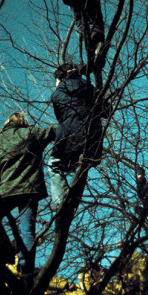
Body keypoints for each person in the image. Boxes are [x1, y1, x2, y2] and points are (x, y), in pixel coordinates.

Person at [0, 112, 55, 270]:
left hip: (6, 191)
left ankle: (1, 253)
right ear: (23, 122)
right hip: (29, 191)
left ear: (7, 123)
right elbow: (53, 131)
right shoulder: (31, 134)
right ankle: (26, 268)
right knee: (28, 231)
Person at [47, 63, 107, 206]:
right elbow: (106, 111)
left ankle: (59, 202)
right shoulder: (91, 89)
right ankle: (83, 158)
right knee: (85, 161)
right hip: (93, 139)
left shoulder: (56, 95)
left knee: (53, 165)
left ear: (60, 78)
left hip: (70, 139)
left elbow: (60, 117)